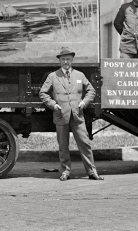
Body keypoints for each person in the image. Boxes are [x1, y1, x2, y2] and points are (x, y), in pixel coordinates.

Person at [39, 48, 103, 181]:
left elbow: (91, 90)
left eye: (68, 59)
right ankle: (65, 172)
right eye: (63, 59)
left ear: (72, 60)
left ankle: (92, 172)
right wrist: (53, 105)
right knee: (63, 146)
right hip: (61, 116)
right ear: (59, 61)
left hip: (77, 116)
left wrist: (84, 102)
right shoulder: (53, 76)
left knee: (85, 144)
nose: (66, 62)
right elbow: (43, 93)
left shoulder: (79, 75)